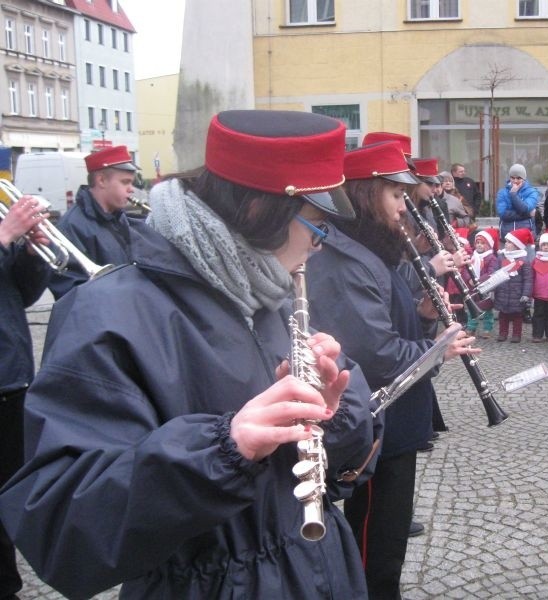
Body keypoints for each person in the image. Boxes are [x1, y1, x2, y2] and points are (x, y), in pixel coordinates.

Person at [0, 109, 383, 599]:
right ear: (257, 211)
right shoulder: (106, 313)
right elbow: (60, 530)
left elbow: (343, 474)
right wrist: (224, 448)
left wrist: (334, 413)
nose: (320, 245)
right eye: (318, 226)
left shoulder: (269, 291)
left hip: (317, 571)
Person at [304, 140, 477, 600]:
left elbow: (389, 323)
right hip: (379, 423)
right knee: (376, 539)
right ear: (366, 195)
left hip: (396, 420)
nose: (405, 208)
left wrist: (423, 314)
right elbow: (376, 355)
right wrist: (437, 348)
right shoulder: (347, 260)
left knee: (390, 537)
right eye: (396, 196)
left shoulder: (376, 252)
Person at [0, 195, 51, 600]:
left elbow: (19, 293)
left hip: (11, 377)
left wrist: (34, 254)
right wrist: (4, 236)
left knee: (7, 496)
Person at [48, 145, 144, 299]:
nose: (131, 189)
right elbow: (69, 290)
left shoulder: (118, 217)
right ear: (102, 180)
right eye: (125, 182)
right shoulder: (71, 227)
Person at [493, 227, 533, 343]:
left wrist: (526, 294)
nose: (506, 244)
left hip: (517, 293)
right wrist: (492, 290)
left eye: (509, 242)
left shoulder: (523, 261)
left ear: (517, 245)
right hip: (502, 291)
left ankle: (516, 334)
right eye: (506, 242)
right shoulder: (501, 258)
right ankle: (503, 333)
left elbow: (528, 279)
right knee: (503, 315)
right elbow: (495, 274)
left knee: (517, 316)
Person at [465, 228, 499, 338]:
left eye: (482, 243)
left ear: (488, 245)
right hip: (472, 288)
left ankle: (487, 329)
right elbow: (465, 269)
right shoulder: (472, 257)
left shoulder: (491, 258)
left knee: (487, 310)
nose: (479, 245)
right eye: (477, 243)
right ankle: (471, 327)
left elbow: (491, 272)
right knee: (472, 310)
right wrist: (468, 279)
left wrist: (478, 281)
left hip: (485, 288)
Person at [496, 164, 541, 240]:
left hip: (525, 236)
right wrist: (528, 215)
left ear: (524, 178)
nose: (515, 181)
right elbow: (503, 214)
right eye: (512, 178)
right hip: (507, 236)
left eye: (519, 178)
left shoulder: (532, 192)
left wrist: (513, 194)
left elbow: (524, 209)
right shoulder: (502, 192)